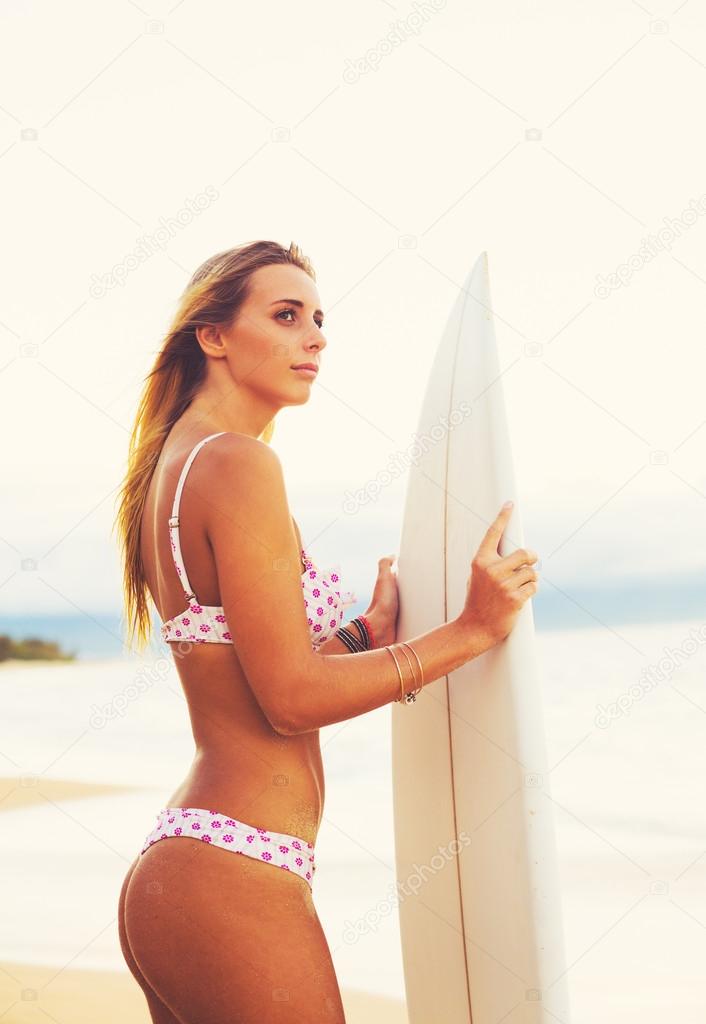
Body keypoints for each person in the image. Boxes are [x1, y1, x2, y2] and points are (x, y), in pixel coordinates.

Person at [114, 239, 539, 1023]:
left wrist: (359, 637)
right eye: (285, 316)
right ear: (213, 335)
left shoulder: (176, 466)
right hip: (232, 869)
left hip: (191, 867)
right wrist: (474, 630)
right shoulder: (238, 463)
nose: (315, 338)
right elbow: (290, 700)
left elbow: (247, 664)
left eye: (318, 319)